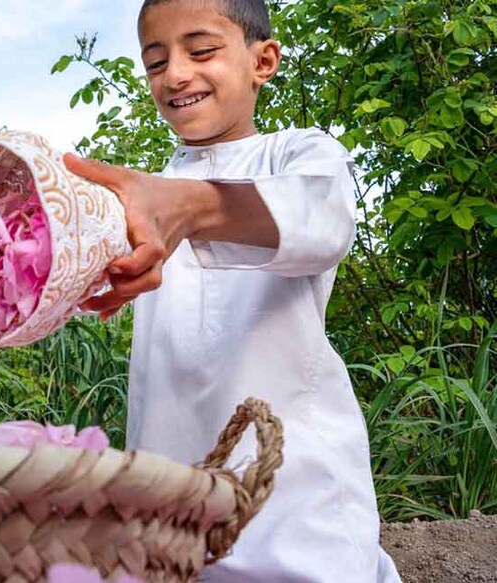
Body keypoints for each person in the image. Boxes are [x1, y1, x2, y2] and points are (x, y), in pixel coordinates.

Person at [62, 1, 401, 581]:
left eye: (201, 51)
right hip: (170, 511)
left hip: (299, 516)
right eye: (155, 60)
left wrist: (194, 209)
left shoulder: (299, 154)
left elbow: (322, 221)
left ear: (262, 60)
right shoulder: (142, 199)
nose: (175, 74)